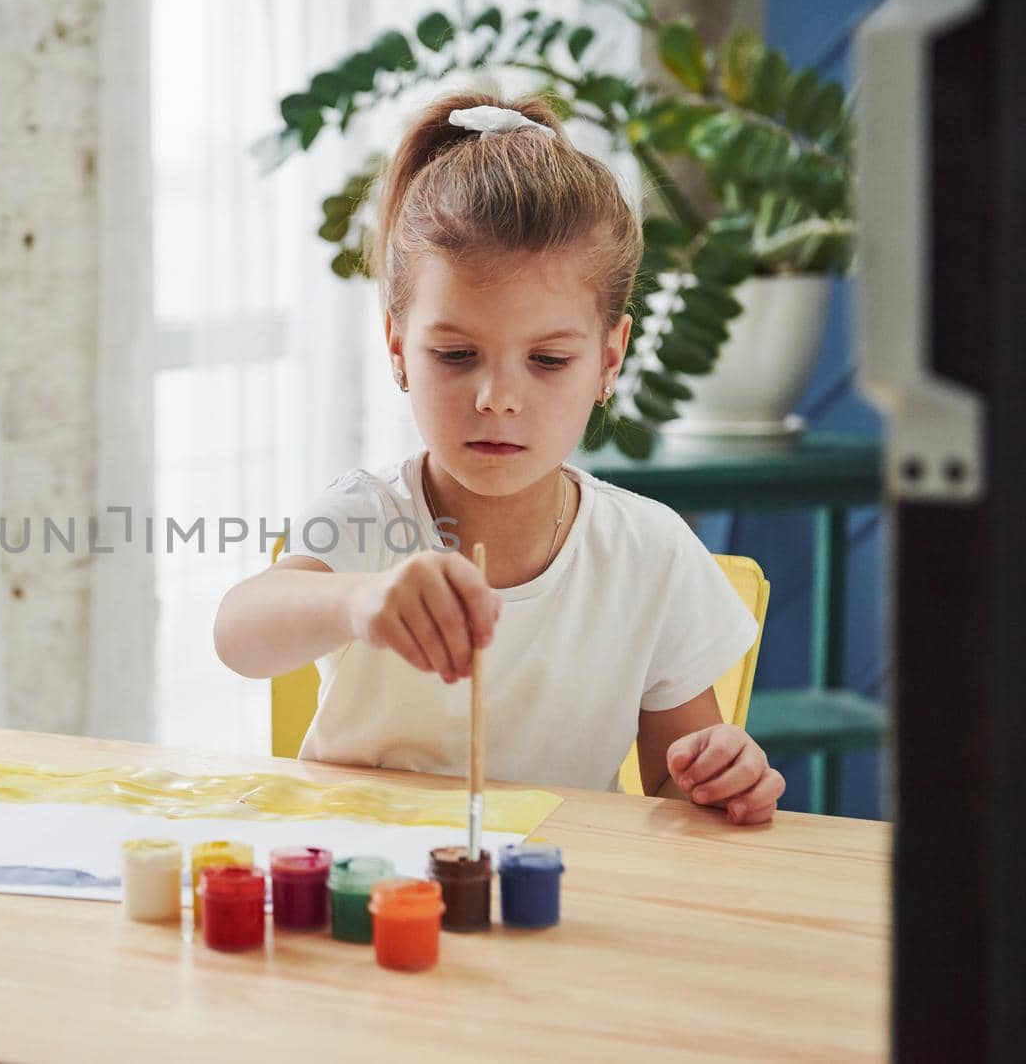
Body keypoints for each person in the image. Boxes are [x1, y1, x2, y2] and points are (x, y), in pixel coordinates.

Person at [214, 92, 784, 825]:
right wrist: (358, 600)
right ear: (398, 348)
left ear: (610, 357)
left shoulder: (650, 554)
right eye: (455, 355)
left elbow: (680, 788)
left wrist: (722, 780)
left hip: (556, 899)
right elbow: (239, 633)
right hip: (367, 896)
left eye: (547, 360)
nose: (497, 399)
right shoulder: (368, 516)